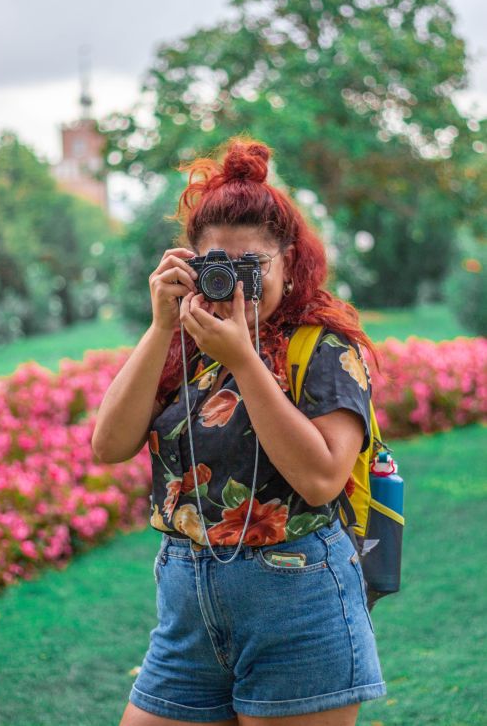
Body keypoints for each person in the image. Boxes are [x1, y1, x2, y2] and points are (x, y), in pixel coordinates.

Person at [92, 137, 387, 726]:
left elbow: (322, 478)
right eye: (218, 265)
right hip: (186, 605)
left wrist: (245, 359)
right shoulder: (184, 347)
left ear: (289, 261)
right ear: (193, 266)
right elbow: (109, 446)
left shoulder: (326, 349)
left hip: (298, 603)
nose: (235, 280)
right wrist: (160, 328)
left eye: (252, 265)